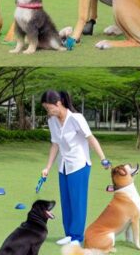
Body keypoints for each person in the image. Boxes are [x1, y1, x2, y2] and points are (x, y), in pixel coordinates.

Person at [40, 90, 111, 245]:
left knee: (78, 201)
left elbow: (90, 138)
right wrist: (47, 167)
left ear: (58, 104)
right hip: (63, 165)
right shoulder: (52, 121)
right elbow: (55, 144)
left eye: (48, 108)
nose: (48, 111)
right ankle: (69, 234)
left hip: (79, 164)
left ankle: (77, 237)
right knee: (66, 201)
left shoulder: (76, 118)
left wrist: (103, 159)